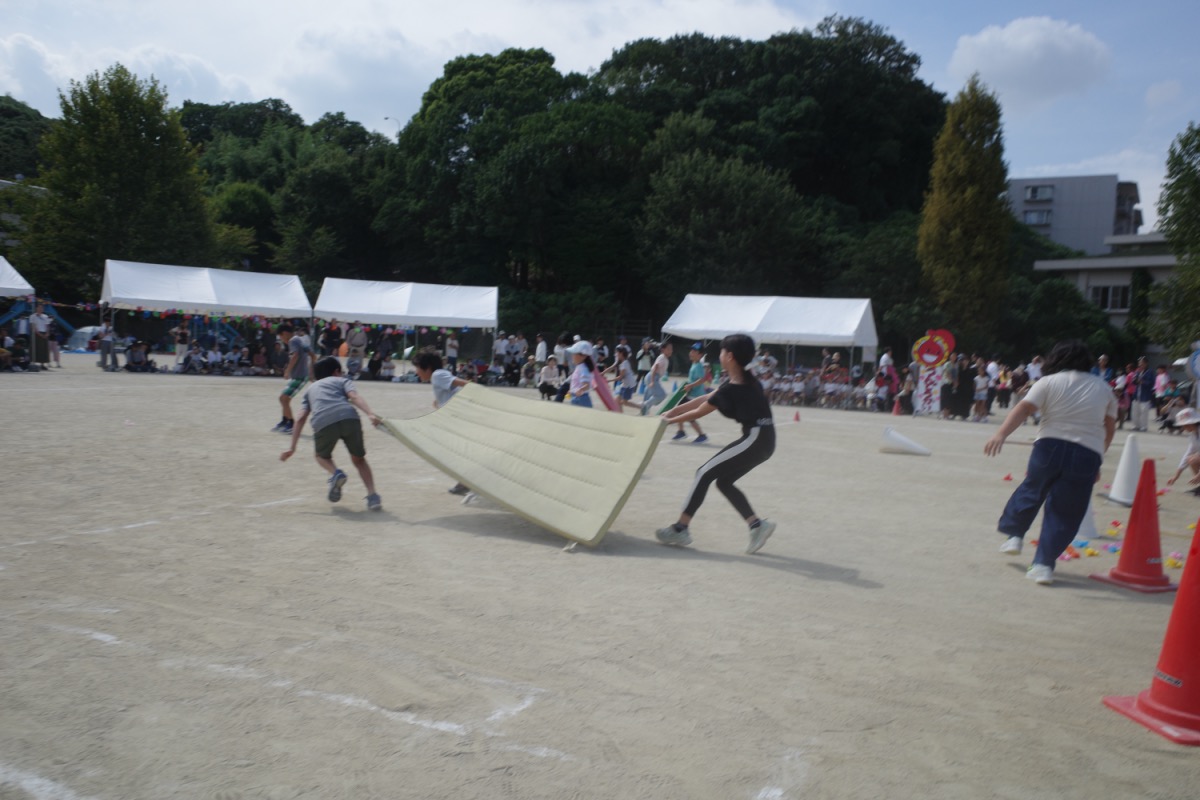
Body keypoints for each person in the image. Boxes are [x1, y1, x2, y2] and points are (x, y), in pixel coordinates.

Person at [984, 340, 1117, 586]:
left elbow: (1024, 409)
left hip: (1049, 446)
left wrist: (1001, 434)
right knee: (1066, 510)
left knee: (1032, 489)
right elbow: (1109, 428)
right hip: (1086, 452)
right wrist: (1098, 458)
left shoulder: (1047, 382)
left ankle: (1015, 535)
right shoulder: (1104, 388)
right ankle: (1043, 565)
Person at [655, 334, 777, 554]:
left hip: (755, 439)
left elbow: (700, 411)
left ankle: (681, 528)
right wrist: (672, 411)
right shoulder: (745, 380)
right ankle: (757, 526)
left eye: (721, 352)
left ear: (729, 356)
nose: (719, 355)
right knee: (724, 482)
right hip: (764, 440)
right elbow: (705, 398)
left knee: (703, 473)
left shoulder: (734, 387)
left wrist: (668, 421)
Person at [280, 356, 383, 511]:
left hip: (323, 421)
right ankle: (372, 496)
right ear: (336, 372)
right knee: (359, 460)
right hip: (349, 418)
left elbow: (300, 417)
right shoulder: (342, 381)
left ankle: (335, 473)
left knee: (321, 456)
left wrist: (292, 447)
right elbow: (354, 396)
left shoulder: (310, 389)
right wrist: (370, 414)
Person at [411, 351, 472, 494]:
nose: (416, 372)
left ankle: (466, 481)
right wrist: (439, 402)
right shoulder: (438, 376)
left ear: (427, 367)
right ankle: (465, 481)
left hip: (458, 420)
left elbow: (466, 385)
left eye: (418, 368)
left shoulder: (437, 375)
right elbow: (453, 389)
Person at [273, 324, 314, 434]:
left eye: (281, 337)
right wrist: (311, 372)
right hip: (300, 375)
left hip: (299, 376)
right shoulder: (300, 340)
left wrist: (287, 371)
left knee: (283, 398)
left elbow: (295, 356)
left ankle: (291, 424)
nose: (282, 340)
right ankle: (285, 421)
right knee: (284, 399)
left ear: (285, 333)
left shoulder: (292, 341)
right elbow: (312, 355)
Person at [672, 343, 709, 442]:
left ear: (700, 355)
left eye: (694, 351)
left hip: (695, 396)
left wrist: (690, 385)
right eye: (691, 350)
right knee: (681, 412)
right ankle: (682, 432)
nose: (691, 353)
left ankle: (701, 435)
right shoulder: (694, 364)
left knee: (686, 414)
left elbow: (702, 379)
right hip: (691, 394)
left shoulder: (699, 366)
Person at [1165, 408, 1200, 494]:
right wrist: (1176, 476)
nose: (1183, 427)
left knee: (1194, 459)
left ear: (1191, 423)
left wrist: (1199, 475)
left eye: (1184, 425)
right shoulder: (1194, 434)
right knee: (1190, 459)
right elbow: (1188, 454)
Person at [640, 341, 672, 415]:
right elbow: (655, 368)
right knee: (661, 395)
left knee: (648, 395)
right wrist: (652, 381)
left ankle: (644, 411)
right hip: (652, 377)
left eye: (671, 349)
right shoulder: (662, 357)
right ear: (663, 350)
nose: (671, 351)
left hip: (652, 377)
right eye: (668, 349)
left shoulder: (664, 358)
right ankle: (645, 404)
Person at [566, 340, 596, 407]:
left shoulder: (583, 368)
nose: (572, 356)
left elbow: (587, 385)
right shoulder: (580, 367)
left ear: (583, 356)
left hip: (581, 399)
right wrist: (571, 390)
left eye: (574, 354)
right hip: (577, 397)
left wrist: (580, 390)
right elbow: (577, 383)